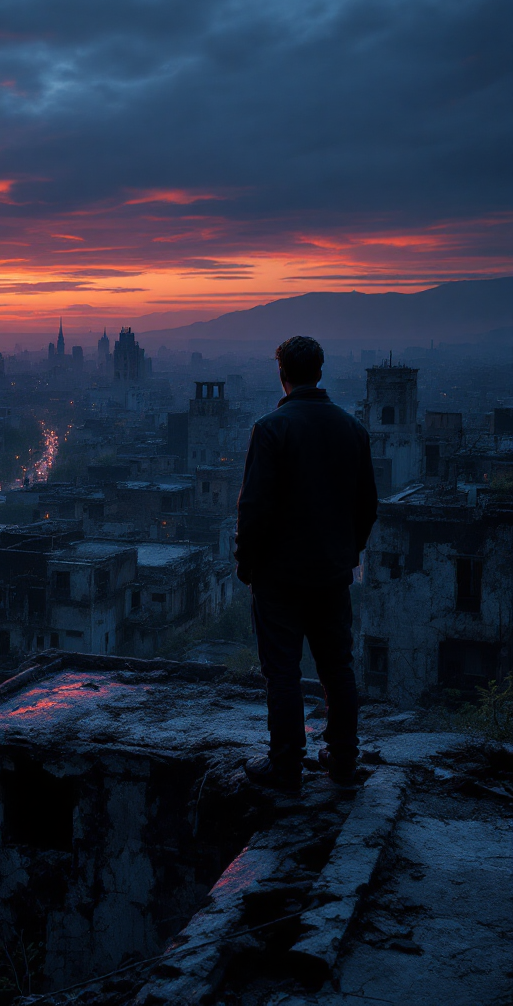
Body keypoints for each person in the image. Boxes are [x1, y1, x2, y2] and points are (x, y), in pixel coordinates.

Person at [235, 336, 378, 791]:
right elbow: (367, 505)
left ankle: (286, 768)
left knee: (283, 671)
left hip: (279, 576)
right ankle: (342, 762)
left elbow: (253, 508)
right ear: (320, 371)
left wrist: (248, 563)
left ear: (283, 374)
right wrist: (348, 552)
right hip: (332, 574)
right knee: (338, 667)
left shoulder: (272, 428)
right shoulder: (352, 429)